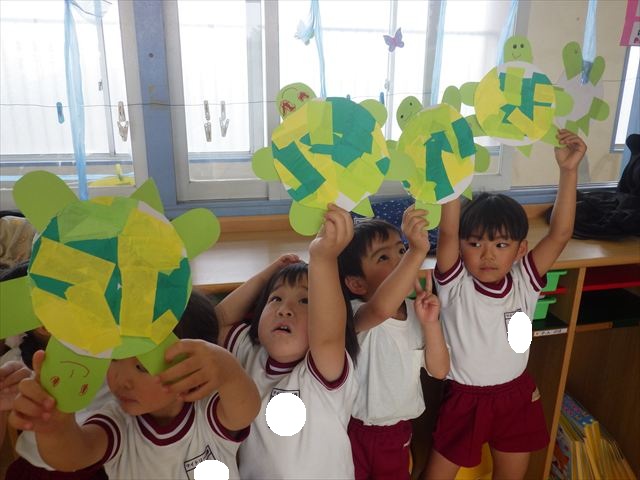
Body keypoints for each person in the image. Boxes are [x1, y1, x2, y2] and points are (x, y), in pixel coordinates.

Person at [424, 129, 587, 480]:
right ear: (462, 247)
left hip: (516, 396)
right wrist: (452, 175)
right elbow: (449, 233)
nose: (487, 255)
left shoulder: (524, 281)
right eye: (475, 244)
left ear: (520, 250)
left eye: (501, 245)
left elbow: (559, 234)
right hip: (465, 399)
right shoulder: (455, 285)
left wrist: (569, 171)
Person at [162, 204, 360, 479]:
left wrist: (323, 259)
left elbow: (327, 337)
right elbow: (217, 322)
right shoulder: (247, 350)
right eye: (275, 298)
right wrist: (269, 275)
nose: (284, 309)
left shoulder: (321, 375)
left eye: (305, 301)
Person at [8, 290, 261, 480]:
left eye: (142, 367)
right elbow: (74, 455)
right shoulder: (118, 424)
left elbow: (246, 410)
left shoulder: (207, 413)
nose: (121, 379)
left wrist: (227, 370)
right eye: (115, 358)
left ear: (191, 367)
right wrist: (55, 427)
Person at [338, 206, 450, 479]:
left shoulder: (417, 312)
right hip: (351, 430)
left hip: (396, 432)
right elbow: (381, 309)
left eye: (402, 250)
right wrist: (416, 252)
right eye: (384, 257)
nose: (401, 261)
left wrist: (431, 324)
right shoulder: (355, 313)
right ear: (357, 284)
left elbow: (439, 370)